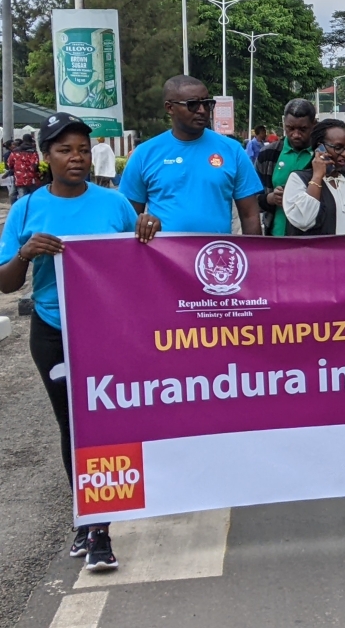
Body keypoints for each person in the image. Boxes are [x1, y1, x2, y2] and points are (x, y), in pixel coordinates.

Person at [0, 113, 163, 573]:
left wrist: (146, 231)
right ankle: (89, 518)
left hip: (107, 333)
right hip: (52, 333)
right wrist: (25, 253)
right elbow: (7, 284)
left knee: (107, 423)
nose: (77, 158)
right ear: (45, 157)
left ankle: (98, 524)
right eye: (65, 150)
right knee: (72, 426)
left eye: (84, 150)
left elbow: (142, 264)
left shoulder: (113, 205)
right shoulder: (27, 210)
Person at [120, 75, 262, 234]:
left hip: (215, 255)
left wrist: (256, 257)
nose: (202, 111)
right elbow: (128, 218)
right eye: (193, 105)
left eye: (207, 104)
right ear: (170, 108)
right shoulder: (144, 154)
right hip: (164, 257)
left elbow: (250, 215)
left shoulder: (233, 150)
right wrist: (146, 225)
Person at [281, 119, 345, 236]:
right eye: (338, 147)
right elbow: (304, 220)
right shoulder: (298, 180)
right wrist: (317, 176)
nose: (344, 154)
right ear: (320, 148)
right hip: (319, 254)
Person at [257, 100, 318, 236]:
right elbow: (251, 201)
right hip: (277, 240)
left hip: (314, 241)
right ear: (284, 124)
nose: (296, 134)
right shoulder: (268, 155)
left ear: (314, 125)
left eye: (303, 129)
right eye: (290, 128)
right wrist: (270, 199)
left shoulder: (324, 156)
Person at [9, 134, 40, 200]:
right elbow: (36, 164)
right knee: (32, 197)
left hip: (19, 178)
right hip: (31, 179)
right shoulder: (33, 151)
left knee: (21, 197)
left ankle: (16, 209)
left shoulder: (15, 151)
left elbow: (10, 163)